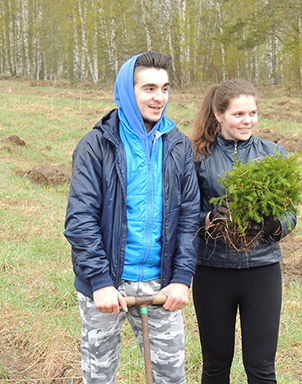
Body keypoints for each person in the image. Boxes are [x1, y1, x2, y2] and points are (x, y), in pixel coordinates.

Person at [64, 52, 200, 384]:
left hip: (162, 284)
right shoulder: (96, 146)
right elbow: (80, 219)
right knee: (99, 376)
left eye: (165, 89)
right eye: (149, 88)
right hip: (106, 285)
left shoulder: (178, 145)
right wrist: (100, 282)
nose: (159, 98)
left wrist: (181, 278)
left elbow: (188, 216)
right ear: (128, 90)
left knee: (170, 376)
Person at [190, 79, 297, 384]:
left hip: (262, 270)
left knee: (262, 366)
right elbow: (183, 215)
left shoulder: (274, 154)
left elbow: (290, 212)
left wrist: (273, 225)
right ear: (218, 114)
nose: (247, 120)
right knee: (215, 363)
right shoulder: (198, 157)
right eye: (238, 114)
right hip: (213, 271)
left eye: (252, 113)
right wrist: (210, 218)